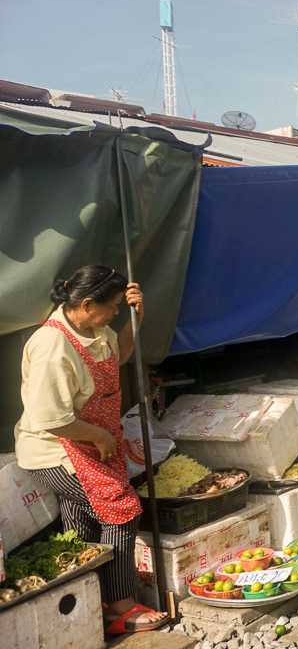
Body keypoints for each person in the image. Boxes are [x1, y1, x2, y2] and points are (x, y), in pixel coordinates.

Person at [15, 265, 168, 634]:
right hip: (56, 450)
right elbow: (51, 418)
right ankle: (120, 607)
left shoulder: (93, 330)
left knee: (81, 516)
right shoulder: (53, 346)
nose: (115, 312)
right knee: (120, 509)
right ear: (86, 303)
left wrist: (135, 317)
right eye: (113, 306)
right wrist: (100, 437)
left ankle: (88, 600)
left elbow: (116, 359)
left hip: (89, 445)